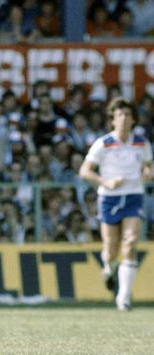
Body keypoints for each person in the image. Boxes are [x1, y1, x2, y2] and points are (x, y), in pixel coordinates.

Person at [79, 97, 152, 311]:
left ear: (133, 119)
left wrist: (148, 173)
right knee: (110, 249)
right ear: (112, 119)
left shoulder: (142, 143)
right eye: (119, 114)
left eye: (128, 114)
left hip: (133, 196)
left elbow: (148, 167)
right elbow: (85, 171)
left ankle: (124, 298)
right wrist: (105, 182)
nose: (124, 118)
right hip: (109, 198)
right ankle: (109, 270)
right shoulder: (104, 143)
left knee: (130, 242)